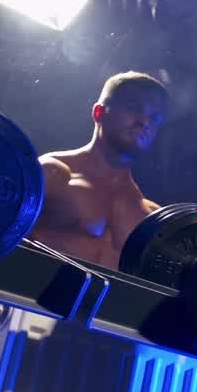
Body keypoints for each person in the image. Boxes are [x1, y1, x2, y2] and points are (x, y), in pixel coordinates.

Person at [31, 71, 167, 269]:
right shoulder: (52, 173)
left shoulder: (151, 216)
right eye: (133, 108)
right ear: (99, 112)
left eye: (154, 118)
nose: (144, 122)